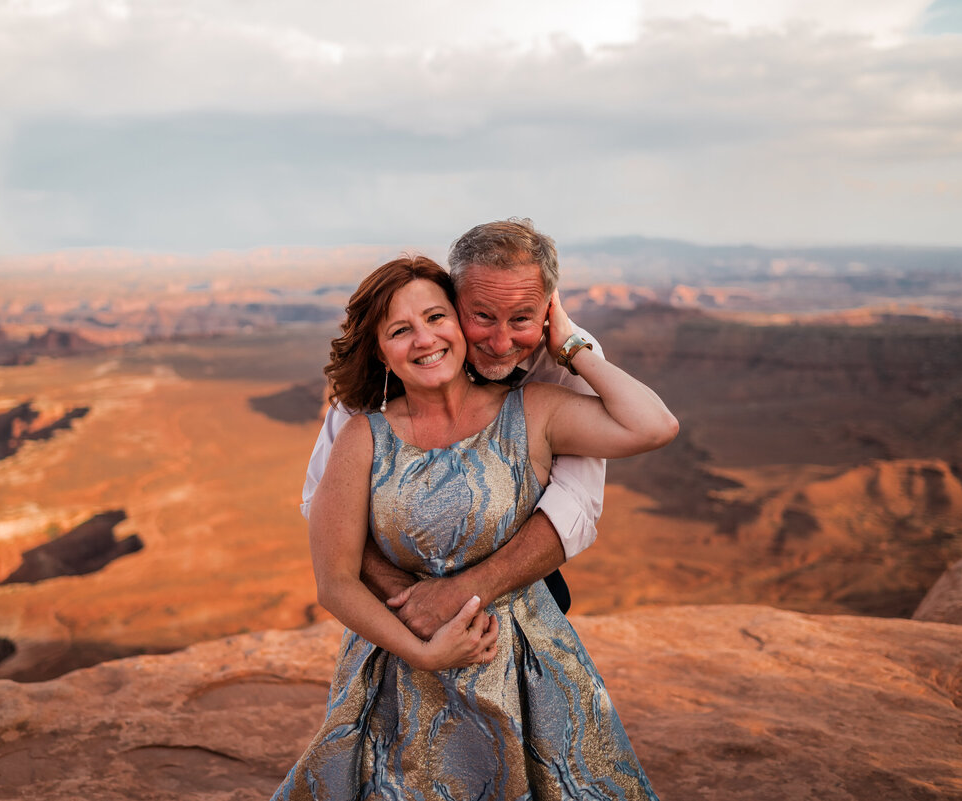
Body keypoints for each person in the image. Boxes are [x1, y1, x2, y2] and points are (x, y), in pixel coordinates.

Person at [273, 254, 676, 799]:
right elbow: (335, 580)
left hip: (527, 662)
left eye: (437, 318)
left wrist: (573, 343)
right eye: (400, 330)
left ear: (460, 325)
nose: (424, 339)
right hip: (399, 662)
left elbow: (654, 426)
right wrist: (423, 651)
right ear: (381, 352)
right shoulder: (361, 436)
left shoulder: (533, 409)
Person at [303, 219, 616, 637]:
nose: (501, 343)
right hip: (402, 613)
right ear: (457, 301)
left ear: (548, 308)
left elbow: (575, 501)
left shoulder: (566, 358)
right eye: (483, 316)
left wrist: (463, 596)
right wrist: (411, 601)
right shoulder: (394, 366)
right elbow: (321, 501)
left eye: (522, 319)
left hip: (520, 602)